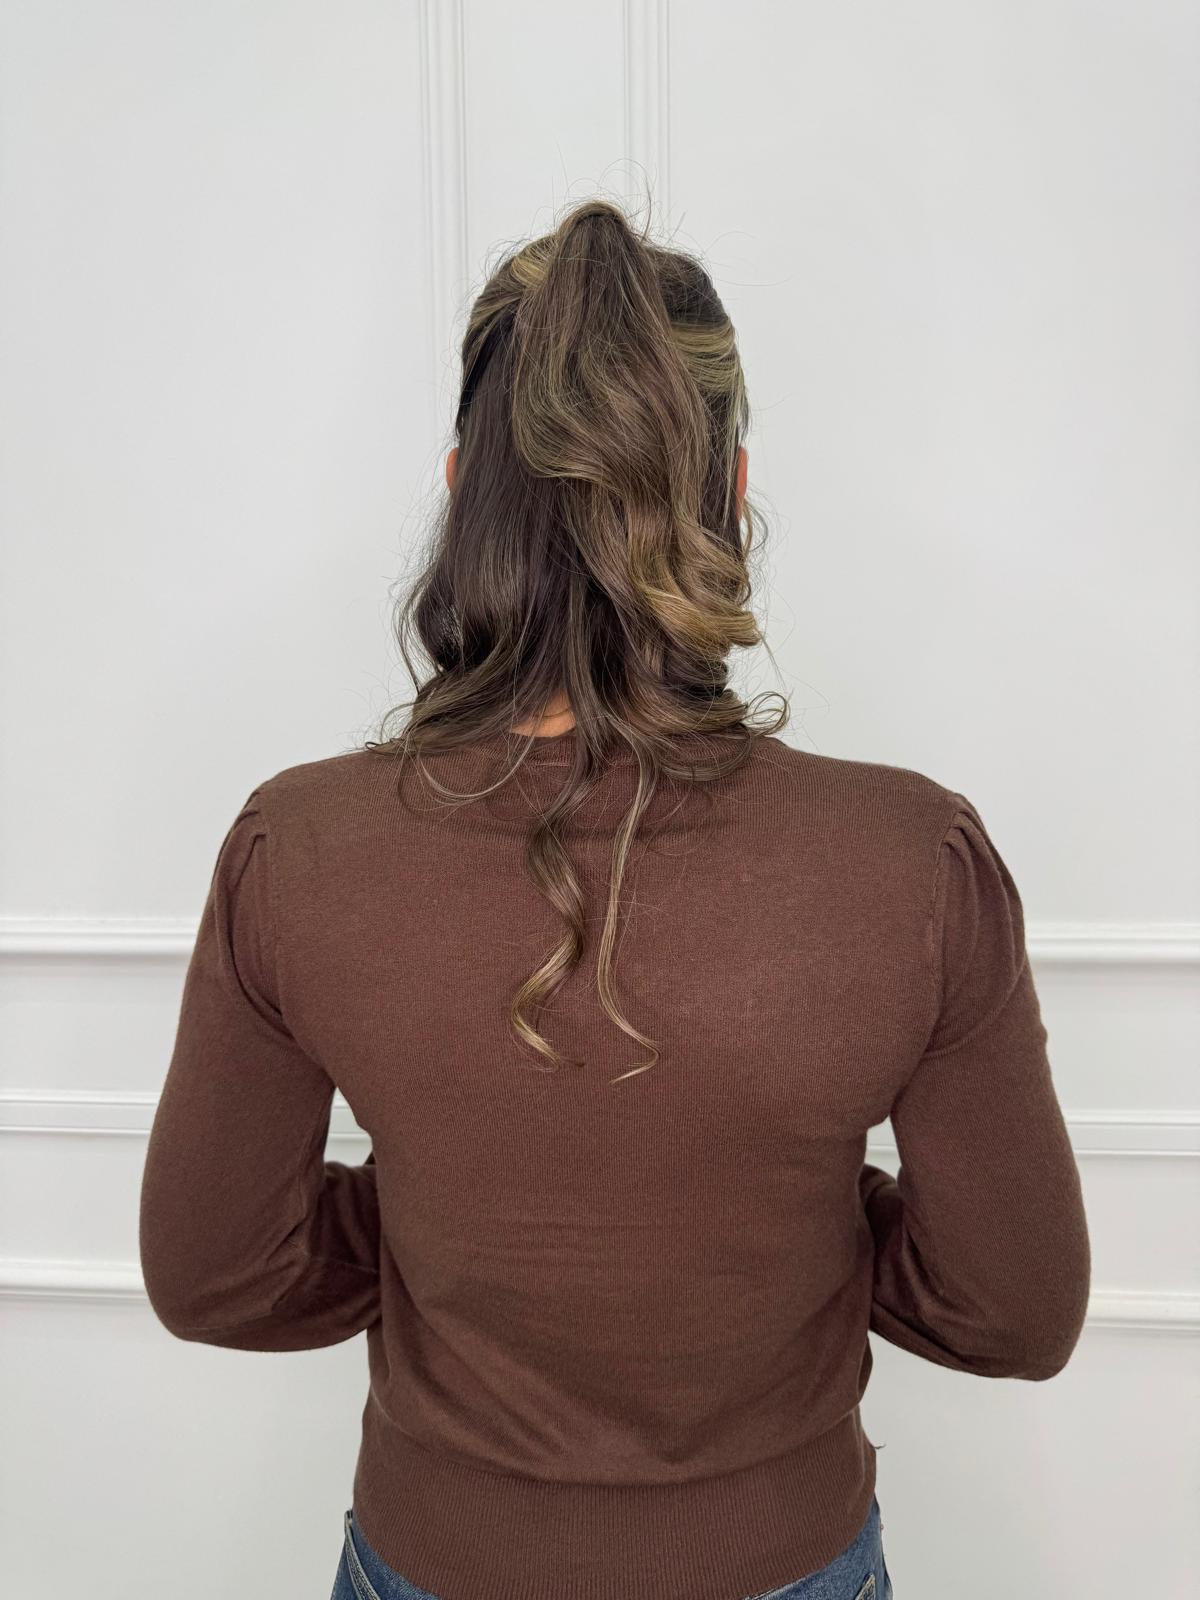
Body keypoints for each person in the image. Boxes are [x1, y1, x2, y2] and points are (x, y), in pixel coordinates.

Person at [138, 197, 1091, 1600]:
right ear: (733, 488)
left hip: (434, 1558)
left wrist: (446, 1232)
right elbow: (1013, 1308)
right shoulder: (912, 860)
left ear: (461, 489)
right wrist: (799, 1234)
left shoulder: (300, 847)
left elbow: (219, 1270)